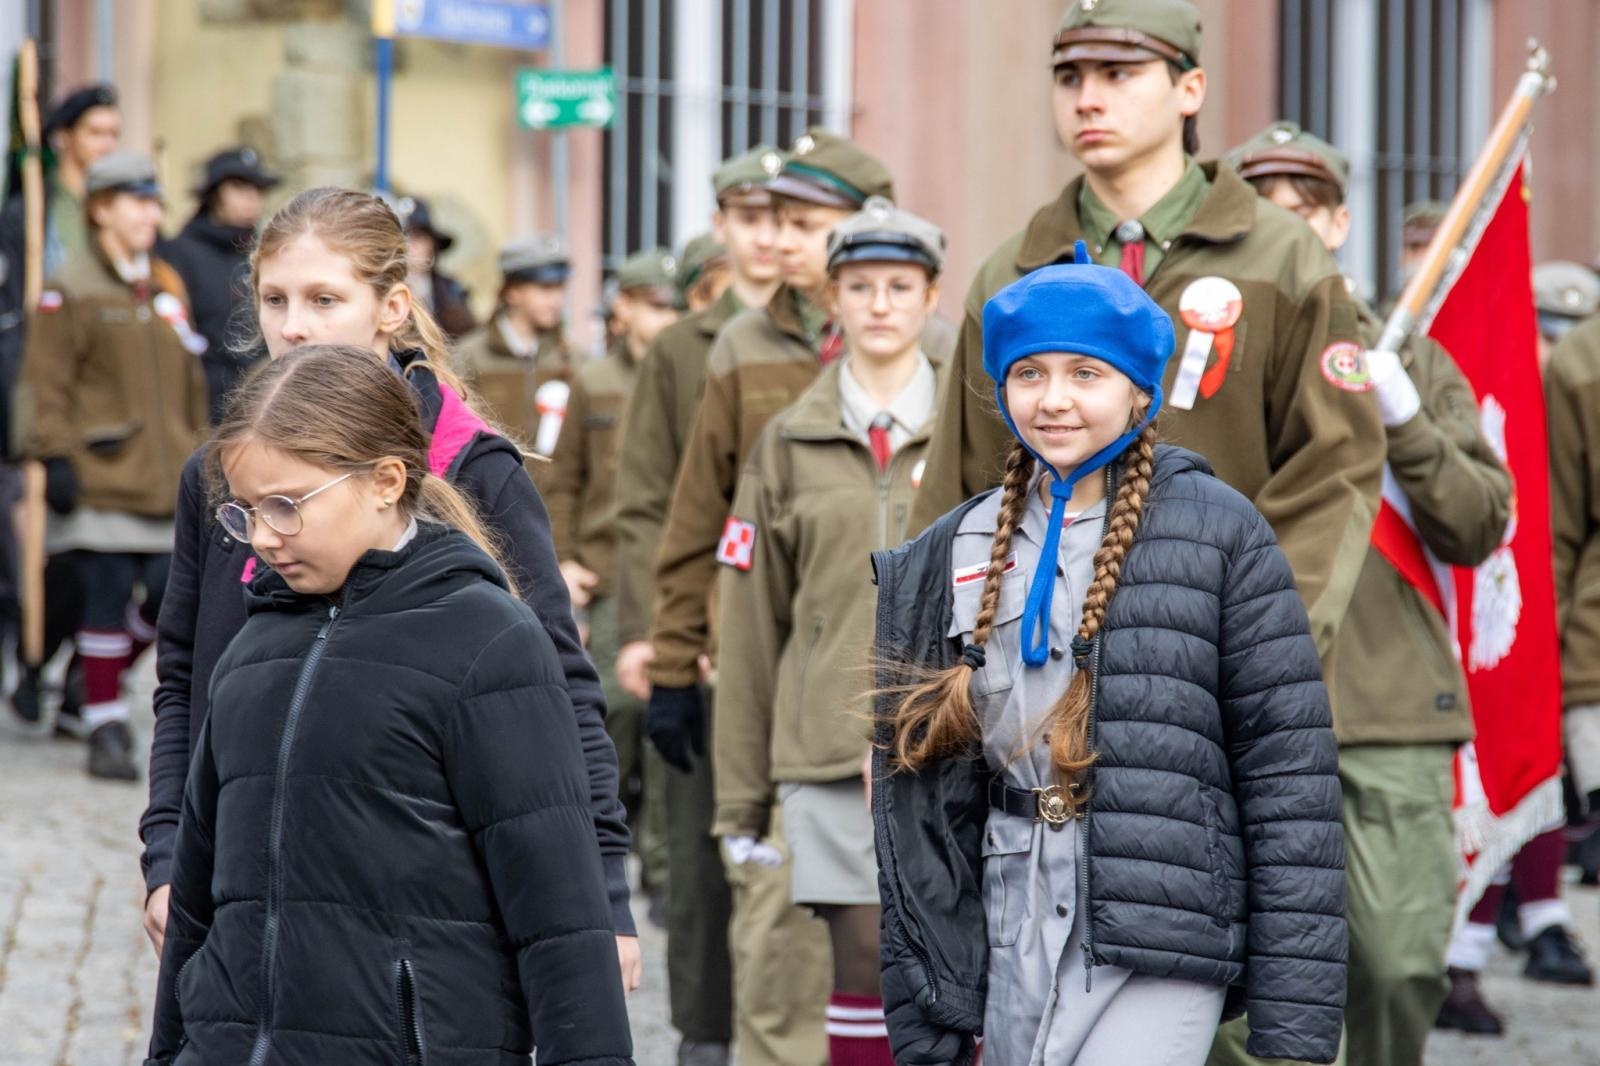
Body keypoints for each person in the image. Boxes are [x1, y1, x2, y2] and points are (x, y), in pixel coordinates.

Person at [137, 187, 641, 995]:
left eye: (324, 299)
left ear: (392, 308)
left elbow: (562, 693)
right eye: (274, 300)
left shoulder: (473, 468)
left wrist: (604, 897)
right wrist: (168, 851)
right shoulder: (219, 476)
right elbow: (184, 676)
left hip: (412, 899)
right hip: (238, 883)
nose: (293, 326)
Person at [873, 252, 1347, 1066]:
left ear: (1138, 390)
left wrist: (1296, 1016)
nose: (1054, 399)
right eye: (1029, 374)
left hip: (1160, 922)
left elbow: (1288, 774)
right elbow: (913, 797)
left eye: (1086, 373)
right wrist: (926, 988)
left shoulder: (1220, 534)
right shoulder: (949, 549)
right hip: (1008, 909)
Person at [906, 0, 1383, 677]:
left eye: (1119, 73)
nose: (1088, 99)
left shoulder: (1283, 259)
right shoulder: (1015, 272)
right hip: (1039, 671)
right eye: (1069, 77)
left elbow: (1334, 472)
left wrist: (1265, 647)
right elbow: (963, 490)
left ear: (1190, 89)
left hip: (1221, 663)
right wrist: (934, 677)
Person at [646, 127, 949, 1066]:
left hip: (942, 734)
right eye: (779, 221)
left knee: (926, 981)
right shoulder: (751, 365)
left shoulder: (967, 383)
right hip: (801, 719)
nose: (790, 241)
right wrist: (671, 657)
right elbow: (693, 522)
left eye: (809, 222)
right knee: (779, 975)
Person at [1228, 121, 1511, 1066]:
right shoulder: (1210, 352)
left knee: (1392, 963)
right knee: (1241, 979)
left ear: (1339, 223)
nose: (1282, 226)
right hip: (1246, 694)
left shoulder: (1413, 357)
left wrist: (1404, 419)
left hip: (1388, 702)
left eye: (1301, 211)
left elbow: (1479, 524)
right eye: (1261, 208)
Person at [610, 144, 782, 1066]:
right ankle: (703, 1037)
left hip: (801, 638)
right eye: (748, 219)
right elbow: (645, 504)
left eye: (780, 219)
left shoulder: (835, 338)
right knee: (699, 856)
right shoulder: (682, 348)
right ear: (722, 227)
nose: (764, 238)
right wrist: (651, 635)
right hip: (706, 635)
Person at [16, 152, 208, 780]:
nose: (152, 213)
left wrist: (200, 449)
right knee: (102, 593)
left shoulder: (165, 288)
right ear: (101, 209)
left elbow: (190, 385)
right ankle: (105, 724)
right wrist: (51, 451)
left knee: (165, 597)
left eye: (155, 201)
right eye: (137, 200)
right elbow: (46, 380)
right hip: (100, 473)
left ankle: (86, 680)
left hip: (163, 476)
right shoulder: (69, 289)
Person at [545, 247, 682, 907]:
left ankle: (660, 866)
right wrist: (564, 556)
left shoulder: (687, 372)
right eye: (654, 305)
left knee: (667, 717)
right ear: (623, 308)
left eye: (672, 306)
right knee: (610, 715)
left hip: (668, 563)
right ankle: (605, 852)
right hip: (606, 571)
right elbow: (563, 478)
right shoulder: (593, 380)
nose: (664, 318)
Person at [0, 83, 121, 722]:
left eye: (114, 133)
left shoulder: (113, 214)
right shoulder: (34, 211)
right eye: (97, 132)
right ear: (63, 139)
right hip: (43, 391)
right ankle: (29, 655)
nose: (107, 144)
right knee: (31, 542)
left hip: (99, 403)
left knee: (86, 552)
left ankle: (60, 665)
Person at [160, 146, 282, 421]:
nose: (252, 198)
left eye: (258, 189)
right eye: (239, 187)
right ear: (214, 193)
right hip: (202, 411)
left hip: (261, 407)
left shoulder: (263, 252)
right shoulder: (178, 254)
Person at [453, 234, 581, 456]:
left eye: (560, 288)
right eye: (546, 289)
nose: (557, 300)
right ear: (513, 293)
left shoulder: (573, 358)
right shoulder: (468, 358)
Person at [397, 194, 476, 339]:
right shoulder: (380, 288)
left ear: (433, 245)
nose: (409, 246)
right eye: (403, 238)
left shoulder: (451, 289)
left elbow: (467, 339)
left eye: (418, 238)